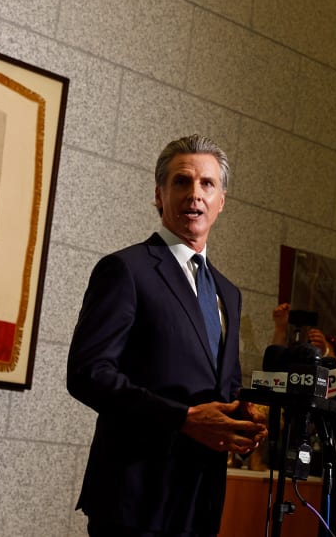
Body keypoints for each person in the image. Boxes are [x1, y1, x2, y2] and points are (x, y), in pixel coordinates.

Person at [67, 134, 267, 537]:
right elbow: (88, 374)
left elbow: (222, 383)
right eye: (181, 182)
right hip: (135, 498)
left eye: (207, 184)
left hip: (200, 500)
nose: (195, 194)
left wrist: (243, 413)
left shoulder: (228, 293)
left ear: (221, 201)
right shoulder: (126, 270)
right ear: (159, 196)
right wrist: (183, 419)